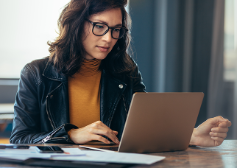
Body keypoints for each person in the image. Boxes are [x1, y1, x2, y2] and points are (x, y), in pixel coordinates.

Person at [10, 0, 231, 147]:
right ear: (76, 24)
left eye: (116, 29)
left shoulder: (125, 70)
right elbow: (19, 139)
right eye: (99, 26)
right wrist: (70, 135)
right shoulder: (36, 73)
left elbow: (145, 128)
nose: (108, 38)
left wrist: (190, 136)